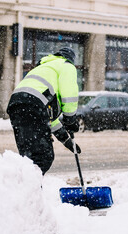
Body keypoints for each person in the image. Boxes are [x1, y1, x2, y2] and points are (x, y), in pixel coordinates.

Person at [7, 47, 81, 175]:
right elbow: (69, 94)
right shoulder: (66, 65)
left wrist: (65, 139)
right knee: (43, 157)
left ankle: (23, 188)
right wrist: (70, 119)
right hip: (34, 104)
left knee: (28, 157)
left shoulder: (43, 68)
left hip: (16, 104)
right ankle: (29, 189)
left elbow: (49, 119)